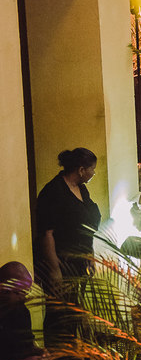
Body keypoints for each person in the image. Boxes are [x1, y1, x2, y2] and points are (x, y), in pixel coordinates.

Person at [35, 148, 102, 347]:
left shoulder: (81, 188)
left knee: (76, 308)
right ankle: (61, 357)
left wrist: (89, 255)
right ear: (81, 170)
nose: (93, 173)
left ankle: (76, 350)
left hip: (79, 258)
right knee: (62, 310)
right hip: (62, 260)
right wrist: (55, 268)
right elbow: (46, 233)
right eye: (92, 169)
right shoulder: (53, 192)